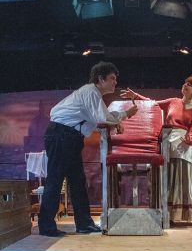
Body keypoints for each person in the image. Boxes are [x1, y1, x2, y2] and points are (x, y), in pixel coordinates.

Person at [39, 61, 138, 237]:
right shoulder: (91, 92)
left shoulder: (92, 94)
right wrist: (125, 115)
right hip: (62, 136)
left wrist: (114, 123)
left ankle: (84, 224)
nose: (115, 82)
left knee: (77, 182)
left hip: (68, 137)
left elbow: (97, 119)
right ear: (101, 79)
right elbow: (102, 117)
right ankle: (46, 227)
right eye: (112, 78)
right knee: (55, 180)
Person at [120, 76, 192, 225]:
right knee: (169, 174)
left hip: (185, 142)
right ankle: (170, 213)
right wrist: (135, 96)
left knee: (185, 176)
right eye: (185, 83)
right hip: (169, 139)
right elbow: (152, 104)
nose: (185, 86)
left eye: (189, 85)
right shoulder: (174, 101)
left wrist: (189, 139)